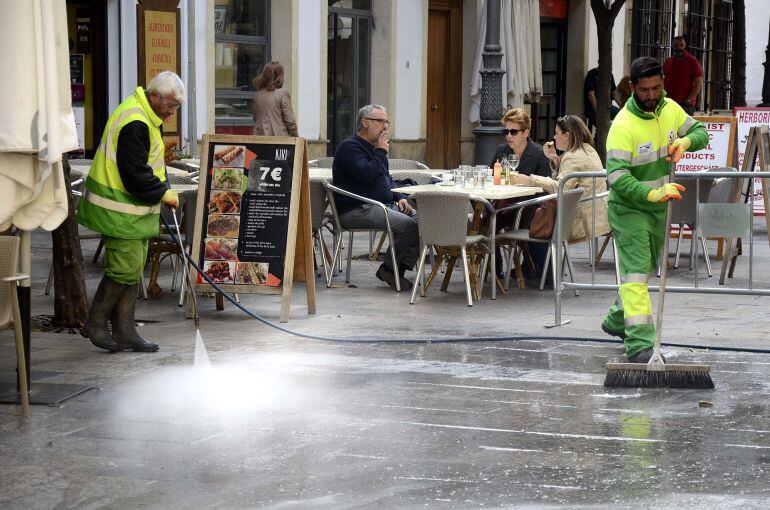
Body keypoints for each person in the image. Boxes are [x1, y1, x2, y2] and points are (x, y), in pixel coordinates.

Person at [601, 56, 708, 363]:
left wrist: (685, 143)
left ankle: (616, 319)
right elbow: (617, 177)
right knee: (636, 276)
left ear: (663, 83)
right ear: (633, 88)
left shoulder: (670, 108)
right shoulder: (622, 125)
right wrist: (652, 193)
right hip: (629, 210)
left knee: (642, 273)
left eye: (656, 88)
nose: (651, 95)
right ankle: (640, 344)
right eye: (644, 90)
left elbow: (701, 132)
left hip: (659, 210)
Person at [76, 71, 183, 353]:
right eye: (170, 106)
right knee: (124, 268)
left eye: (176, 107)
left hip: (129, 211)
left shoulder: (145, 116)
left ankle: (125, 331)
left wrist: (161, 187)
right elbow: (134, 173)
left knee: (132, 269)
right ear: (154, 96)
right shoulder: (135, 121)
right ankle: (95, 323)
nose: (171, 113)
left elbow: (147, 164)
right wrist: (162, 192)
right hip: (117, 209)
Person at [331, 104, 419, 291]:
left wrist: (400, 196)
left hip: (381, 205)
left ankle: (396, 269)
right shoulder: (350, 147)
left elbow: (386, 178)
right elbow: (366, 175)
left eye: (387, 122)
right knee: (408, 224)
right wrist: (380, 152)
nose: (385, 127)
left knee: (422, 220)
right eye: (380, 121)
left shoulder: (376, 148)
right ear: (365, 123)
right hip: (357, 209)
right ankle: (390, 270)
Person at [511, 115, 610, 243]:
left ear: (567, 135)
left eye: (557, 133)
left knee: (527, 212)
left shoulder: (572, 156)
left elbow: (559, 188)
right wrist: (555, 159)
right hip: (598, 218)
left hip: (577, 223)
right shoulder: (588, 150)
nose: (554, 137)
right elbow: (570, 178)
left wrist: (530, 180)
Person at [489, 108, 551, 287]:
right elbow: (491, 177)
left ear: (525, 133)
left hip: (528, 210)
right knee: (489, 219)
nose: (508, 136)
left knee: (489, 219)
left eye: (513, 132)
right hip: (503, 206)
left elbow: (545, 189)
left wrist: (526, 183)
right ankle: (495, 268)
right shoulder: (501, 151)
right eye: (506, 131)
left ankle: (494, 266)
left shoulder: (539, 154)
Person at [252, 61, 298, 136]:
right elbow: (290, 120)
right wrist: (295, 136)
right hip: (277, 137)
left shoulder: (258, 95)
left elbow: (255, 117)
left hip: (260, 137)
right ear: (279, 76)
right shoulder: (282, 94)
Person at [663, 36, 704, 115]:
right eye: (676, 45)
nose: (679, 48)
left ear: (685, 46)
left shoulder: (692, 61)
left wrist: (689, 99)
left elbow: (698, 82)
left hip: (685, 104)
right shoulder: (668, 62)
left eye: (681, 45)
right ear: (672, 46)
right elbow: (663, 80)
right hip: (669, 104)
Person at [584, 67, 623, 131]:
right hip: (592, 108)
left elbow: (614, 93)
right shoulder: (592, 74)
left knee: (620, 115)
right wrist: (598, 111)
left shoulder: (609, 75)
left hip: (607, 107)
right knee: (602, 125)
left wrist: (622, 107)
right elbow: (591, 95)